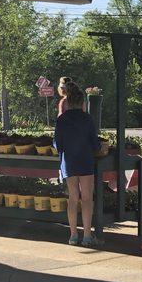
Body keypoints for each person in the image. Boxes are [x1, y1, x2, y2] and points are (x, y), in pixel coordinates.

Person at [54, 82, 101, 247]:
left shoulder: (61, 120)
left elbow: (57, 144)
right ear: (83, 103)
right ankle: (87, 236)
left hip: (69, 162)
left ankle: (73, 235)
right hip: (85, 160)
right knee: (87, 199)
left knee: (72, 199)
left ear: (67, 102)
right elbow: (95, 144)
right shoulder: (87, 119)